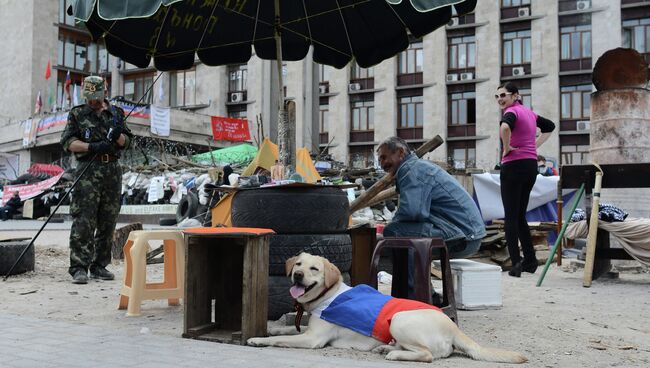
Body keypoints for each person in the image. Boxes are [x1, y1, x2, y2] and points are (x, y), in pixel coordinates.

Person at [377, 137, 486, 298]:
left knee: (395, 232)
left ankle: (416, 296)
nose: (381, 163)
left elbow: (413, 212)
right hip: (465, 231)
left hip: (463, 235)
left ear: (400, 152)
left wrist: (386, 230)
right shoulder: (414, 168)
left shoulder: (411, 170)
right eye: (379, 159)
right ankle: (423, 294)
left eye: (384, 157)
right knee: (399, 234)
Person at [60, 76, 133, 284]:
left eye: (96, 97)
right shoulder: (77, 114)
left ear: (105, 93)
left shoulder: (116, 114)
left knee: (108, 221)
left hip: (112, 171)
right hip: (88, 171)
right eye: (89, 98)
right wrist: (91, 147)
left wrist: (118, 136)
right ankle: (78, 267)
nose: (92, 102)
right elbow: (67, 142)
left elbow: (129, 142)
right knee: (84, 219)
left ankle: (99, 265)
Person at [496, 82, 555, 277]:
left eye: (503, 95)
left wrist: (506, 148)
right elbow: (550, 126)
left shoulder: (511, 113)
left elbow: (505, 128)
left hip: (513, 166)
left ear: (515, 96)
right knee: (520, 215)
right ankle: (530, 261)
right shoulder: (530, 114)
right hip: (530, 167)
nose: (500, 100)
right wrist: (534, 146)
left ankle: (516, 264)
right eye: (497, 97)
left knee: (510, 217)